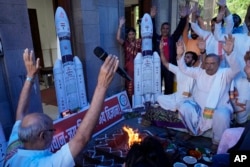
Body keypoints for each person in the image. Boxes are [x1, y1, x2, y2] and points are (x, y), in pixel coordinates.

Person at [4, 48, 119, 166]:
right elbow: (81, 139)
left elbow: (20, 112)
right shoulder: (42, 164)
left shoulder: (15, 147)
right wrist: (102, 86)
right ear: (42, 136)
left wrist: (30, 77)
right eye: (52, 130)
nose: (53, 134)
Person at [176, 34, 241, 151]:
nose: (209, 66)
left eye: (213, 64)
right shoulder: (199, 72)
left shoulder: (224, 74)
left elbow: (236, 69)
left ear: (219, 64)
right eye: (207, 63)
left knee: (222, 115)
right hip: (199, 108)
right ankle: (192, 131)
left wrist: (230, 54)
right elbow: (184, 69)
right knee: (184, 106)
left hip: (217, 109)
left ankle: (217, 142)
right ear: (204, 63)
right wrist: (180, 55)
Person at [152, 5, 187, 94]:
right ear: (161, 29)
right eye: (163, 28)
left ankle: (168, 104)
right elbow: (152, 30)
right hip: (158, 66)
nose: (165, 30)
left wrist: (183, 18)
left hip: (169, 65)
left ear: (169, 30)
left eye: (167, 28)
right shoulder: (156, 38)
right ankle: (158, 102)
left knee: (169, 87)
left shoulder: (172, 38)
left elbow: (179, 30)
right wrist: (152, 18)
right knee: (157, 86)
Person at [157, 40, 198, 111]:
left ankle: (177, 107)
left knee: (184, 105)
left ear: (193, 61)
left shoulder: (195, 71)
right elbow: (165, 63)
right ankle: (176, 107)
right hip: (176, 96)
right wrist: (161, 50)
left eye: (188, 57)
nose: (185, 58)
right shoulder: (179, 69)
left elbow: (187, 93)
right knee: (159, 98)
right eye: (185, 57)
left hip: (187, 98)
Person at [116, 16, 141, 104]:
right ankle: (130, 105)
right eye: (129, 34)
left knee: (138, 86)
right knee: (129, 87)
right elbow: (118, 39)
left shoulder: (139, 42)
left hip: (138, 70)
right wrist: (120, 26)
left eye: (132, 34)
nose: (131, 36)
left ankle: (138, 103)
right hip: (129, 69)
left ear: (135, 34)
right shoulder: (126, 43)